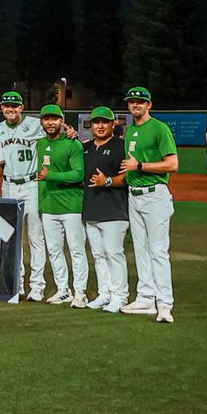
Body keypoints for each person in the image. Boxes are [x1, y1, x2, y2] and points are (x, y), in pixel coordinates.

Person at [118, 86, 179, 323]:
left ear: (149, 105)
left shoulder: (159, 129)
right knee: (141, 249)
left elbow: (172, 164)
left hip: (155, 195)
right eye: (132, 102)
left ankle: (164, 304)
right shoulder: (131, 129)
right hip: (135, 195)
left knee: (158, 251)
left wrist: (140, 166)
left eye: (140, 102)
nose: (135, 105)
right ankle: (145, 298)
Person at [0, 90, 48, 302]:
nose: (10, 109)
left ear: (22, 107)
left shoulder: (35, 125)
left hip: (30, 183)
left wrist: (69, 131)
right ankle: (18, 283)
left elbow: (55, 133)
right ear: (2, 108)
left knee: (35, 237)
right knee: (13, 238)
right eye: (7, 106)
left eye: (14, 105)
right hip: (8, 185)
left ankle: (37, 285)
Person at [35, 103, 88, 307]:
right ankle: (63, 289)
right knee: (54, 251)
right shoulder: (39, 143)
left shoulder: (73, 144)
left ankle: (80, 292)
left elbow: (79, 174)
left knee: (76, 250)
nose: (50, 122)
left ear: (62, 121)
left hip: (71, 205)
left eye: (54, 119)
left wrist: (52, 176)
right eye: (46, 119)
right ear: (42, 122)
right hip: (49, 205)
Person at [82, 106, 130, 313]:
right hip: (91, 208)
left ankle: (120, 296)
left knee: (113, 253)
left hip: (114, 209)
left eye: (104, 122)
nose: (100, 126)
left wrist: (108, 180)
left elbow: (129, 176)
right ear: (91, 125)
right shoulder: (85, 148)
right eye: (96, 122)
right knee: (98, 255)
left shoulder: (122, 146)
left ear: (113, 124)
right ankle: (105, 294)